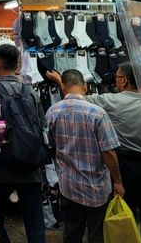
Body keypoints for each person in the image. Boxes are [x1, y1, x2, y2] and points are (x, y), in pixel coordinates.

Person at [47, 62, 141, 243]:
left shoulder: (110, 101)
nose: (116, 81)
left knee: (123, 217)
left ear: (124, 80)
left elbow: (78, 99)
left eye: (117, 77)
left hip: (123, 166)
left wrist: (59, 82)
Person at [0, 44, 46, 243]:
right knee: (34, 220)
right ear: (17, 64)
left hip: (2, 166)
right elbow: (42, 126)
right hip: (32, 166)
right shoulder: (30, 91)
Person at [45, 69, 124, 243]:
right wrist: (117, 180)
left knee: (72, 233)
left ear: (63, 87)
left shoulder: (52, 112)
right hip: (95, 188)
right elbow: (109, 152)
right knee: (97, 234)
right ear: (85, 87)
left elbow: (52, 144)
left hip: (68, 186)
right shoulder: (97, 113)